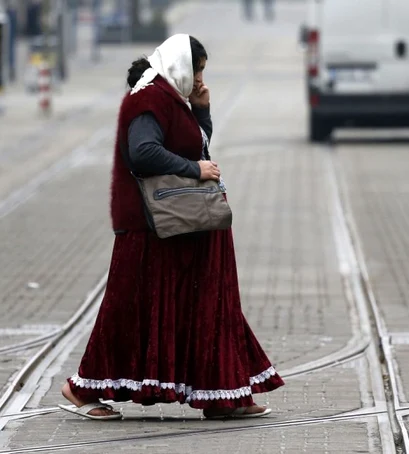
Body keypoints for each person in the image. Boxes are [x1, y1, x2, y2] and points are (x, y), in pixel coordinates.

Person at [59, 33, 284, 420]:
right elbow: (143, 152)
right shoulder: (149, 99)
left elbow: (194, 145)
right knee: (130, 309)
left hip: (183, 226)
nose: (200, 78)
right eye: (197, 69)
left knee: (208, 305)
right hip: (153, 229)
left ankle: (223, 394)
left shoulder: (173, 98)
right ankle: (83, 390)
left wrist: (202, 111)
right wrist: (194, 170)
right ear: (180, 65)